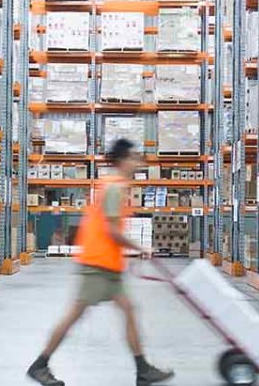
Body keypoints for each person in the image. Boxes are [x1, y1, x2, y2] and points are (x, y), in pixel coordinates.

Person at [27, 138, 174, 386]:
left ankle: (143, 369)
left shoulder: (117, 185)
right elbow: (112, 232)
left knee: (128, 310)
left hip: (109, 266)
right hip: (97, 265)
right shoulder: (114, 188)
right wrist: (141, 248)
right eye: (134, 157)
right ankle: (40, 365)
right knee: (75, 315)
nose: (137, 162)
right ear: (123, 160)